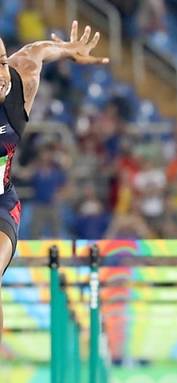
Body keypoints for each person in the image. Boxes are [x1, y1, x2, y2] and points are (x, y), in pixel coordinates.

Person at [0, 21, 108, 341]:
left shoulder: (21, 85)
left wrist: (67, 50)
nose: (2, 73)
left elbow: (36, 52)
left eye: (2, 61)